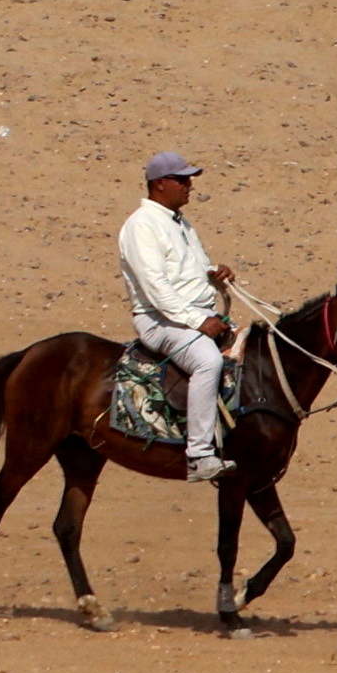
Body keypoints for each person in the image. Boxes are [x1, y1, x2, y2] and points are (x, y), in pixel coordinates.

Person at [115, 155, 236, 483]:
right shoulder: (141, 225)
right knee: (208, 361)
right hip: (159, 320)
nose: (189, 186)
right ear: (159, 184)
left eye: (189, 179)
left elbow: (191, 270)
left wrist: (214, 273)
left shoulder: (180, 223)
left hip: (193, 315)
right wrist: (197, 323)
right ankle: (199, 455)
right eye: (182, 180)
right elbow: (155, 287)